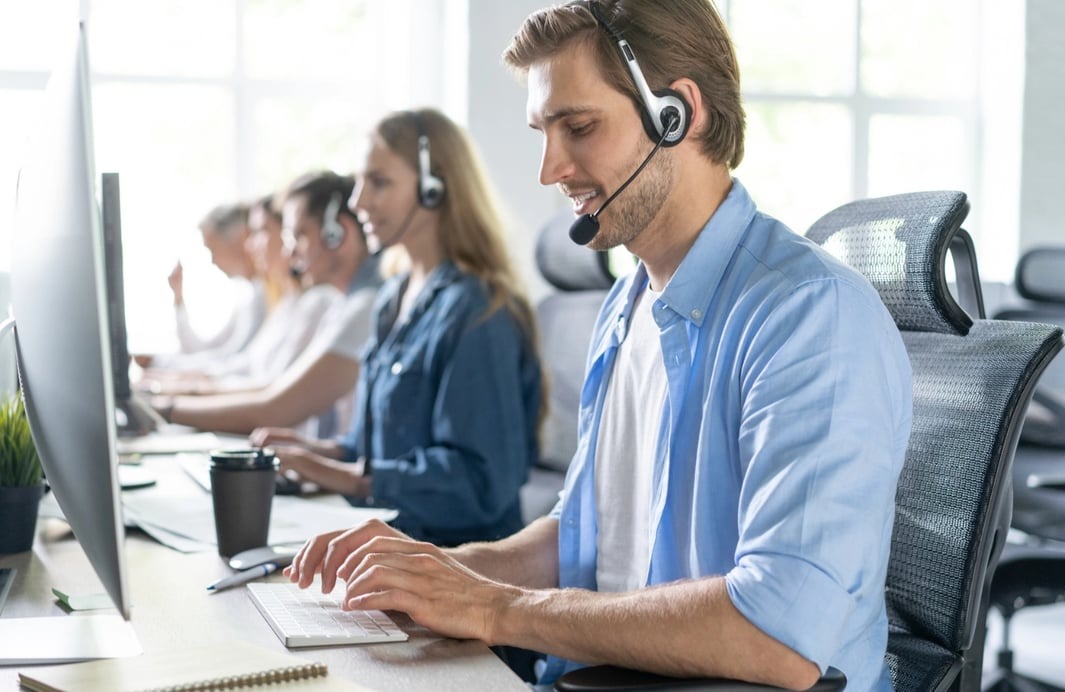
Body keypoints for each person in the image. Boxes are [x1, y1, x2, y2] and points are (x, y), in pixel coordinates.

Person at [280, 2, 912, 690]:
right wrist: (430, 570)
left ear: (678, 113)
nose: (550, 169)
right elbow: (580, 533)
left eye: (578, 127)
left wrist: (495, 608)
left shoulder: (806, 314)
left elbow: (777, 631)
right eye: (542, 132)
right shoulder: (626, 302)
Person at [251, 108, 544, 546]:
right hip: (390, 553)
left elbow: (479, 484)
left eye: (379, 182)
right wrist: (311, 452)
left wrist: (345, 477)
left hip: (455, 570)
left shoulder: (479, 311)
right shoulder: (394, 298)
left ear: (434, 188)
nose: (357, 201)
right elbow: (380, 449)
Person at [151, 171, 383, 438]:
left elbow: (276, 406)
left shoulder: (361, 308)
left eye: (300, 235)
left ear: (338, 234)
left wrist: (164, 407)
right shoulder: (342, 305)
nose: (290, 251)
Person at [137, 202, 266, 370]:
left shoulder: (262, 296)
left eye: (213, 249)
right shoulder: (248, 295)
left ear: (240, 238)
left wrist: (161, 363)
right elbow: (206, 349)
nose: (213, 261)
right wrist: (178, 298)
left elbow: (232, 359)